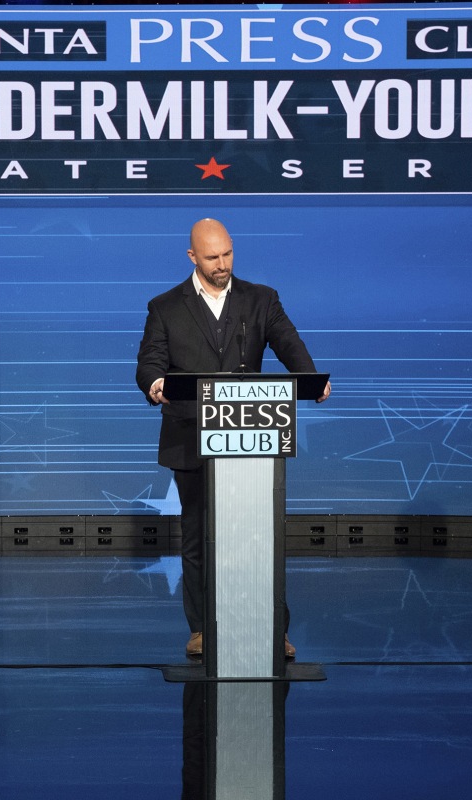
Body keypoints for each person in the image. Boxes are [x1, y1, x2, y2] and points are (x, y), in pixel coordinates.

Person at [135, 218, 330, 659]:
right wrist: (155, 385)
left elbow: (288, 342)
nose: (222, 264)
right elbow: (149, 362)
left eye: (227, 254)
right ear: (192, 257)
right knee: (197, 536)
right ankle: (202, 628)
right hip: (190, 435)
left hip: (252, 437)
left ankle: (272, 629)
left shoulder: (262, 299)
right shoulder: (164, 306)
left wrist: (312, 379)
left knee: (260, 536)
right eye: (211, 257)